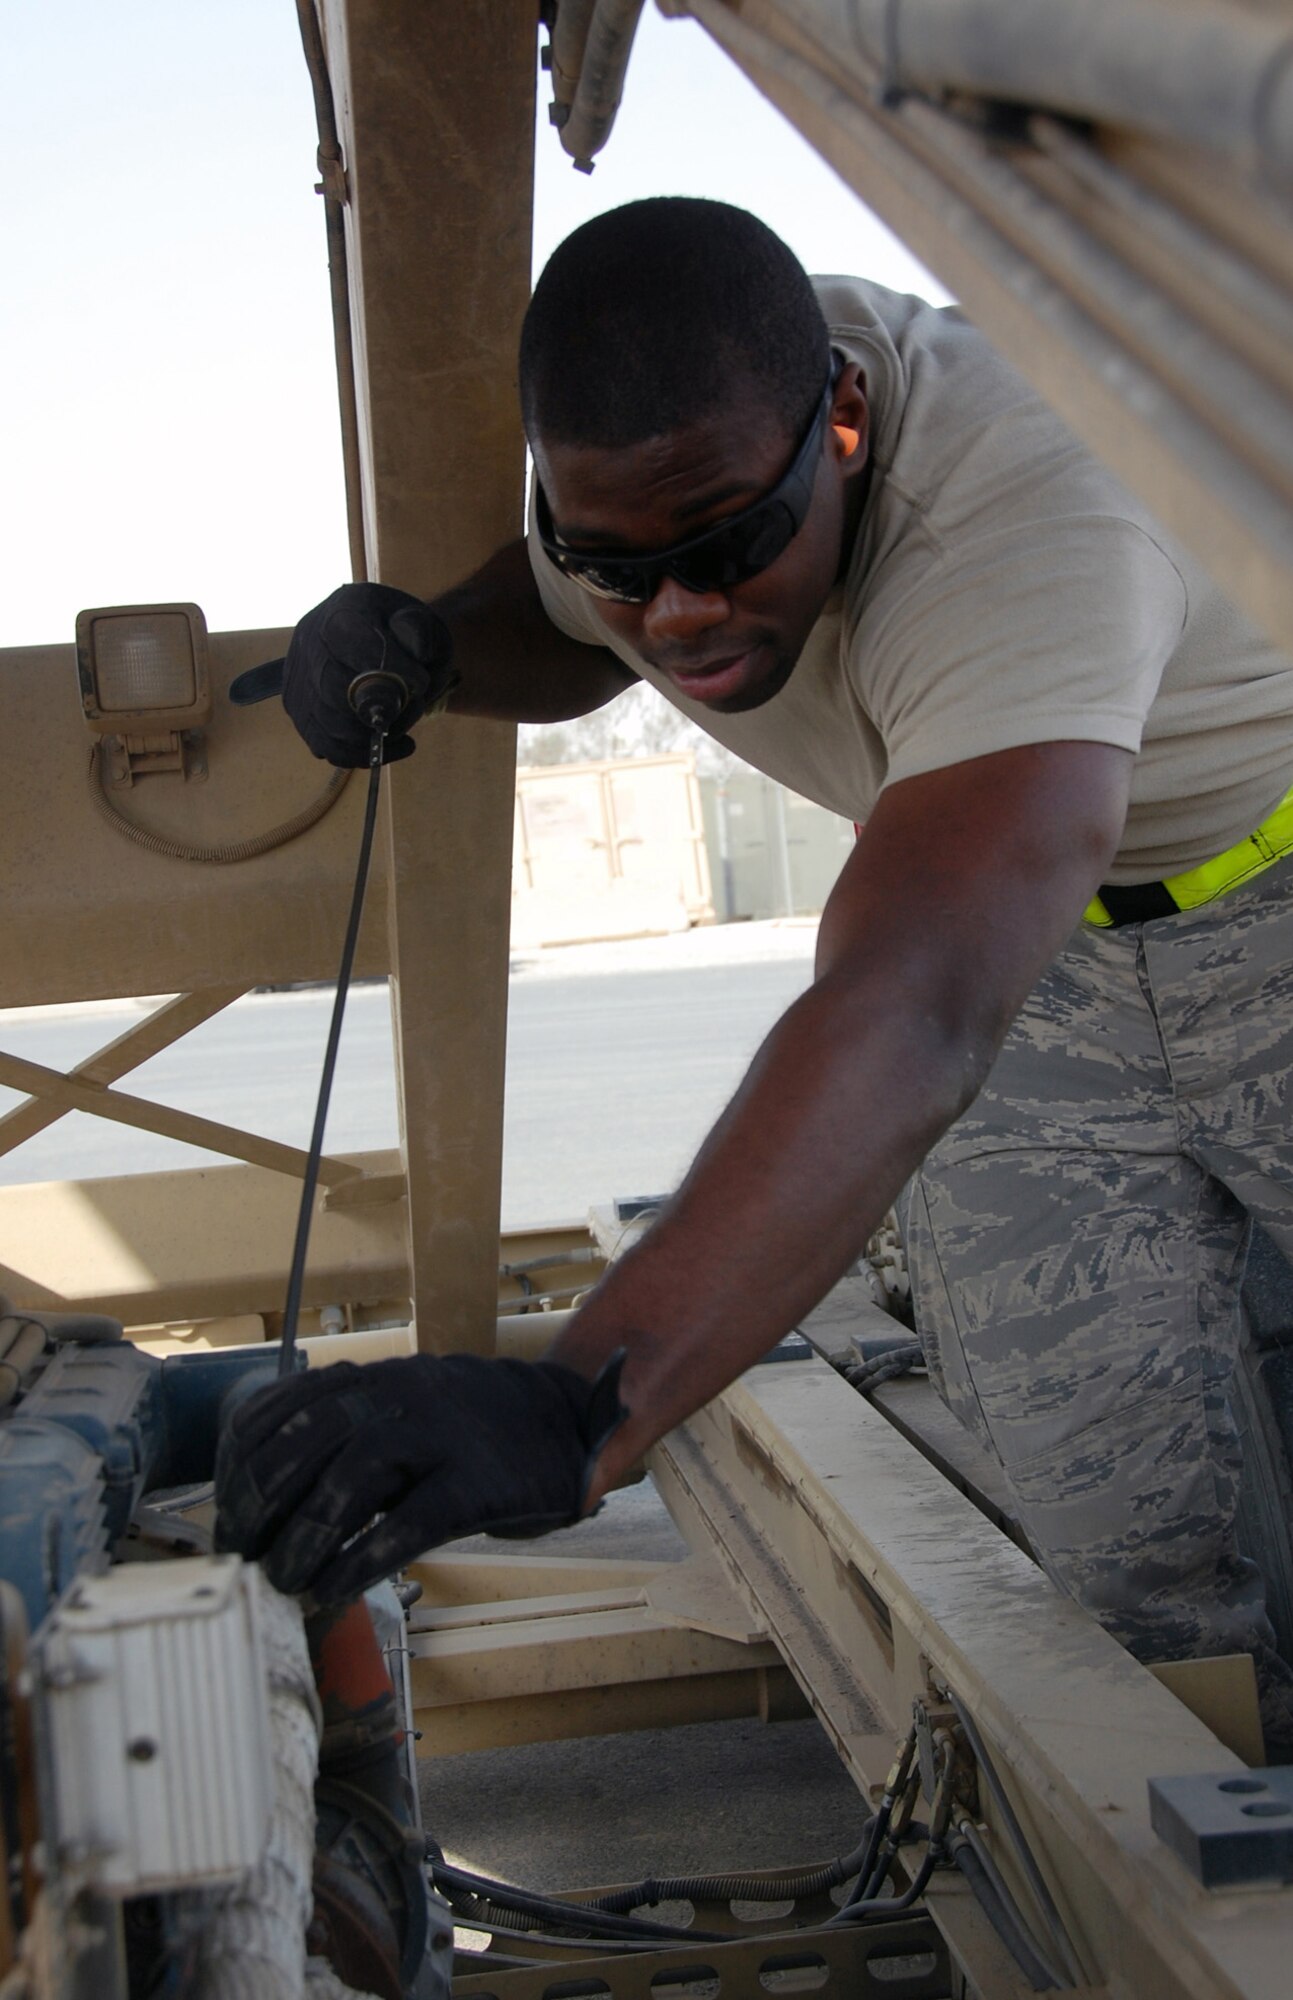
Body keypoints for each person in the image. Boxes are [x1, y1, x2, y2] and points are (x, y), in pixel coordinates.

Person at [215, 197, 1293, 1755]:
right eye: (616, 562)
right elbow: (574, 621)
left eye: (722, 548)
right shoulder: (657, 460)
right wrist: (441, 645)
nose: (679, 617)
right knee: (1124, 1530)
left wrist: (581, 1399)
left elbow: (912, 1004)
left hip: (1242, 910)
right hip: (1048, 968)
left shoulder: (1031, 503)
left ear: (841, 423)